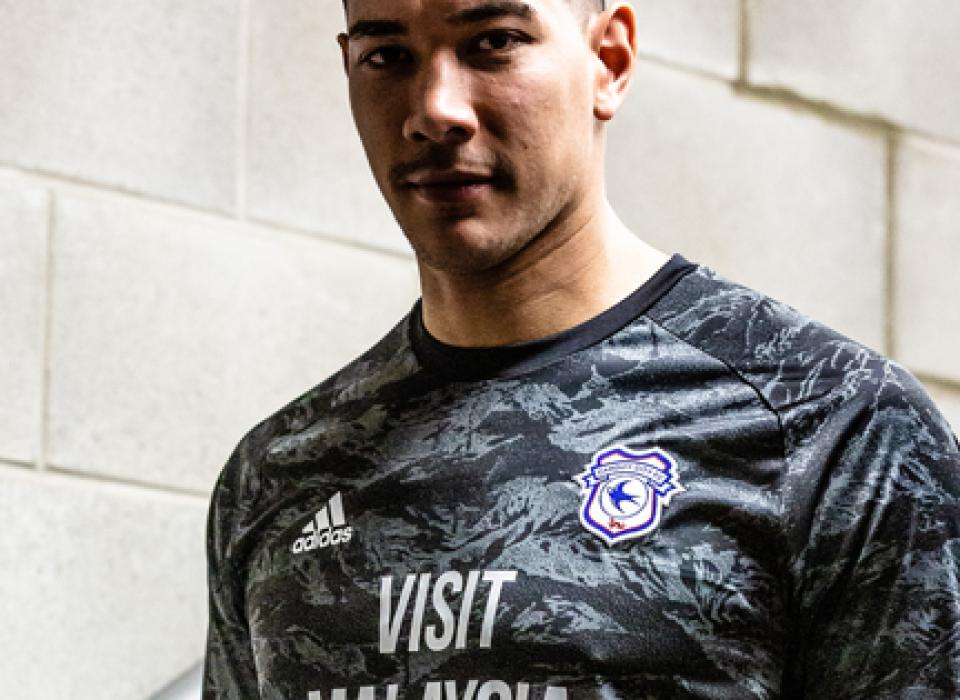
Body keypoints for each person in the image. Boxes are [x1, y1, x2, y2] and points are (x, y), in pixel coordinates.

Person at [202, 0, 960, 698]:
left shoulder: (832, 424)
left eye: (493, 43)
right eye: (388, 56)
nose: (435, 110)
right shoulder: (278, 473)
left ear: (609, 61)